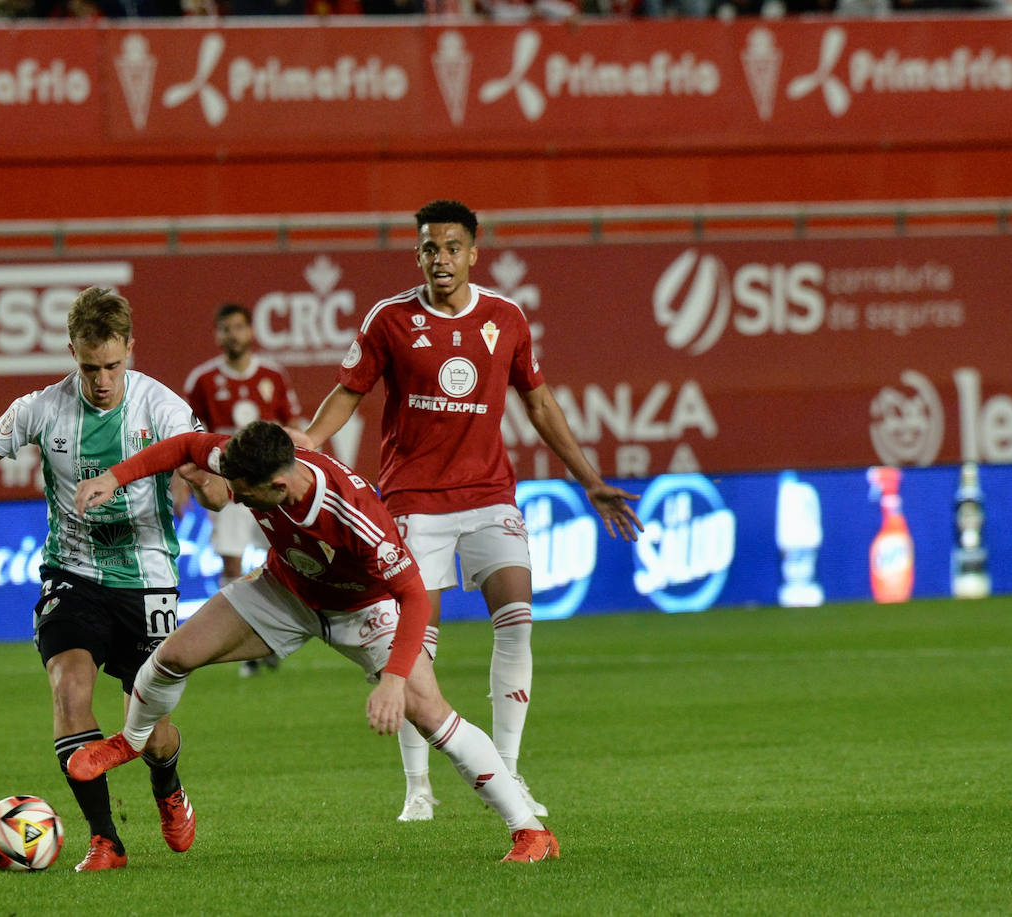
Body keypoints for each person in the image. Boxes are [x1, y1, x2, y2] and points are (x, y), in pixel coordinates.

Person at [0, 288, 229, 872]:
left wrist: (204, 482)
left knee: (151, 732)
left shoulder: (164, 409)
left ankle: (168, 781)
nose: (102, 380)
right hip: (71, 572)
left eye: (112, 365)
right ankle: (105, 839)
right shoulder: (41, 409)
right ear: (71, 353)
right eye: (88, 367)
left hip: (148, 580)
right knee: (69, 688)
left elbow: (217, 492)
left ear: (130, 349)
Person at [66, 421, 561, 862]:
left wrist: (391, 682)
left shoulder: (352, 511)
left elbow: (411, 595)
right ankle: (131, 742)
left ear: (279, 485)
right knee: (172, 655)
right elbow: (184, 446)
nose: (236, 500)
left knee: (432, 715)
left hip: (363, 611)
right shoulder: (248, 461)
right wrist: (114, 478)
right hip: (286, 592)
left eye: (245, 494)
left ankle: (530, 833)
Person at [297, 199, 643, 823]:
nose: (441, 259)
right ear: (418, 254)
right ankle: (417, 787)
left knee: (516, 619)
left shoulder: (505, 318)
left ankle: (506, 771)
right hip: (412, 502)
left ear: (473, 252)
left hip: (489, 497)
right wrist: (309, 445)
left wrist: (590, 481)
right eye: (429, 248)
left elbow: (540, 406)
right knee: (413, 643)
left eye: (452, 247)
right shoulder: (390, 320)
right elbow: (347, 394)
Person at [183, 302, 303, 676]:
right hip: (230, 487)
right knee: (231, 561)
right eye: (225, 328)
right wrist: (181, 486)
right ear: (217, 334)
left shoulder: (273, 375)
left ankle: (272, 636)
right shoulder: (202, 381)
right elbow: (187, 438)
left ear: (250, 331)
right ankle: (244, 646)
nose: (232, 334)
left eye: (238, 327)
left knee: (284, 560)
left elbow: (295, 428)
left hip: (272, 488)